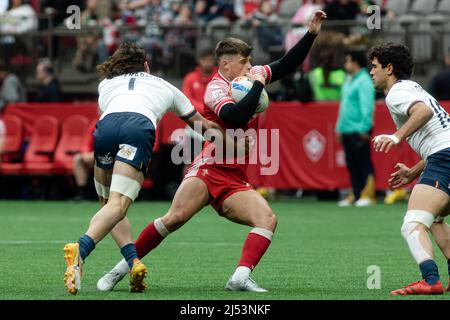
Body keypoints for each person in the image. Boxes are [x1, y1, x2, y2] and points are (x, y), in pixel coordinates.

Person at [96, 10, 327, 293]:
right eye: (244, 62)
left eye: (251, 61)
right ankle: (120, 270)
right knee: (174, 218)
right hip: (209, 167)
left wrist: (311, 34)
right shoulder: (215, 89)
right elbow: (235, 116)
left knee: (267, 219)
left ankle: (240, 277)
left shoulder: (248, 77)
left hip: (235, 174)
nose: (251, 66)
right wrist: (257, 83)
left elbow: (286, 64)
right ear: (226, 64)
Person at [62, 42, 225, 295]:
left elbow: (106, 112)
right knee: (119, 204)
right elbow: (201, 125)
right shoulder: (164, 86)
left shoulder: (105, 84)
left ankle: (133, 262)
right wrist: (232, 141)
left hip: (106, 129)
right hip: (137, 128)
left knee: (109, 206)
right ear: (146, 66)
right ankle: (80, 250)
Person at [369, 43, 450, 295]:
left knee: (412, 223)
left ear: (389, 68)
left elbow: (423, 112)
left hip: (444, 159)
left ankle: (430, 280)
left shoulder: (397, 92)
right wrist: (413, 172)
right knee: (434, 219)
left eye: (374, 66)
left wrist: (396, 137)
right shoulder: (414, 88)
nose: (370, 72)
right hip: (443, 156)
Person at [336, 49, 375, 207]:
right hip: (347, 128)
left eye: (347, 61)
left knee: (363, 162)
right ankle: (356, 193)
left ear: (355, 62)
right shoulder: (348, 79)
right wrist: (339, 127)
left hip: (359, 129)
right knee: (351, 164)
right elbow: (343, 106)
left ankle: (368, 194)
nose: (345, 64)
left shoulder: (365, 81)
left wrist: (365, 128)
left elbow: (367, 107)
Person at [71, 120, 96, 201]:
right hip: (94, 157)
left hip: (111, 155)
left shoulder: (117, 122)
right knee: (78, 158)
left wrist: (97, 153)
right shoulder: (96, 123)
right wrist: (85, 153)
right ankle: (82, 193)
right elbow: (86, 142)